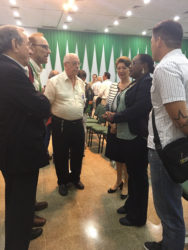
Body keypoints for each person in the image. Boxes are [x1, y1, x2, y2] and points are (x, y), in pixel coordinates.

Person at [0, 25, 50, 250]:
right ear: (14, 45)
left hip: (11, 149)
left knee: (16, 203)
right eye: (26, 43)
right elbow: (40, 106)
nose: (29, 49)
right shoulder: (11, 71)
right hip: (19, 151)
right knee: (20, 210)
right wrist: (43, 99)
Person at [144, 20, 188, 250]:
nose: (151, 45)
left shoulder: (166, 68)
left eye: (151, 40)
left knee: (168, 209)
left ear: (159, 39)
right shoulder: (184, 63)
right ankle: (169, 243)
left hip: (167, 149)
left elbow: (181, 118)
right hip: (178, 146)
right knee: (172, 204)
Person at [106, 54, 154, 227]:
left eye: (134, 64)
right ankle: (131, 205)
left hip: (136, 137)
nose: (130, 66)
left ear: (145, 66)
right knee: (132, 176)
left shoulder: (147, 82)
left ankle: (138, 217)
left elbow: (140, 108)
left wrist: (116, 117)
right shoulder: (137, 82)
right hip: (128, 135)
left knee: (139, 178)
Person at [44, 53, 85, 196]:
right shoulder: (54, 81)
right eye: (74, 63)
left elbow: (82, 101)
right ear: (65, 64)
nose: (77, 66)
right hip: (61, 125)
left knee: (78, 154)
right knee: (61, 155)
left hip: (78, 124)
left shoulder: (81, 82)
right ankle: (62, 181)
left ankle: (75, 178)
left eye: (78, 63)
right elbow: (46, 104)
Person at [28, 32, 51, 229]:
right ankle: (26, 215)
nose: (49, 51)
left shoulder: (35, 70)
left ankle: (30, 205)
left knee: (31, 174)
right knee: (24, 178)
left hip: (34, 130)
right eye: (44, 47)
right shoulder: (25, 70)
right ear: (31, 47)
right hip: (24, 134)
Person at [105, 56, 131, 200]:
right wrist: (111, 123)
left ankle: (126, 184)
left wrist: (117, 123)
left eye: (124, 68)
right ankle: (118, 181)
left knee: (125, 158)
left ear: (129, 69)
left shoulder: (132, 87)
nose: (121, 71)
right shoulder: (113, 86)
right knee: (117, 157)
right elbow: (109, 107)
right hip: (112, 127)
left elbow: (130, 111)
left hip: (125, 129)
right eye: (118, 68)